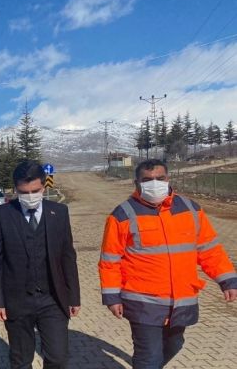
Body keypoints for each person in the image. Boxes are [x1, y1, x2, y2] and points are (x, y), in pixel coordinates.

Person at [99, 158, 237, 369]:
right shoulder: (122, 215)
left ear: (168, 178)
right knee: (150, 358)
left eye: (160, 178)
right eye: (147, 180)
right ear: (136, 183)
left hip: (181, 300)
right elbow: (110, 261)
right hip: (143, 303)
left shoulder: (191, 209)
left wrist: (227, 280)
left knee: (175, 344)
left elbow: (209, 250)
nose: (154, 183)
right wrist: (112, 297)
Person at [0, 161, 81, 369]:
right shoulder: (2, 215)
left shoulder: (59, 212)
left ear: (44, 187)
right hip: (17, 300)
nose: (30, 196)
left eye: (35, 191)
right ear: (15, 189)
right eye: (23, 192)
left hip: (53, 299)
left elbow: (68, 256)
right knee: (21, 361)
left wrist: (73, 296)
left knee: (58, 357)